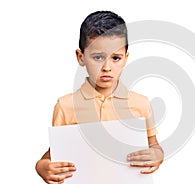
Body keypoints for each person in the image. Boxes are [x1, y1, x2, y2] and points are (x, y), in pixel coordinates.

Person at [35, 10, 164, 184]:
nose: (107, 67)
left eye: (116, 58)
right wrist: (41, 166)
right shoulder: (66, 106)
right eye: (98, 57)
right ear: (81, 57)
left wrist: (158, 155)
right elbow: (56, 152)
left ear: (126, 58)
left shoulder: (140, 104)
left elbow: (153, 145)